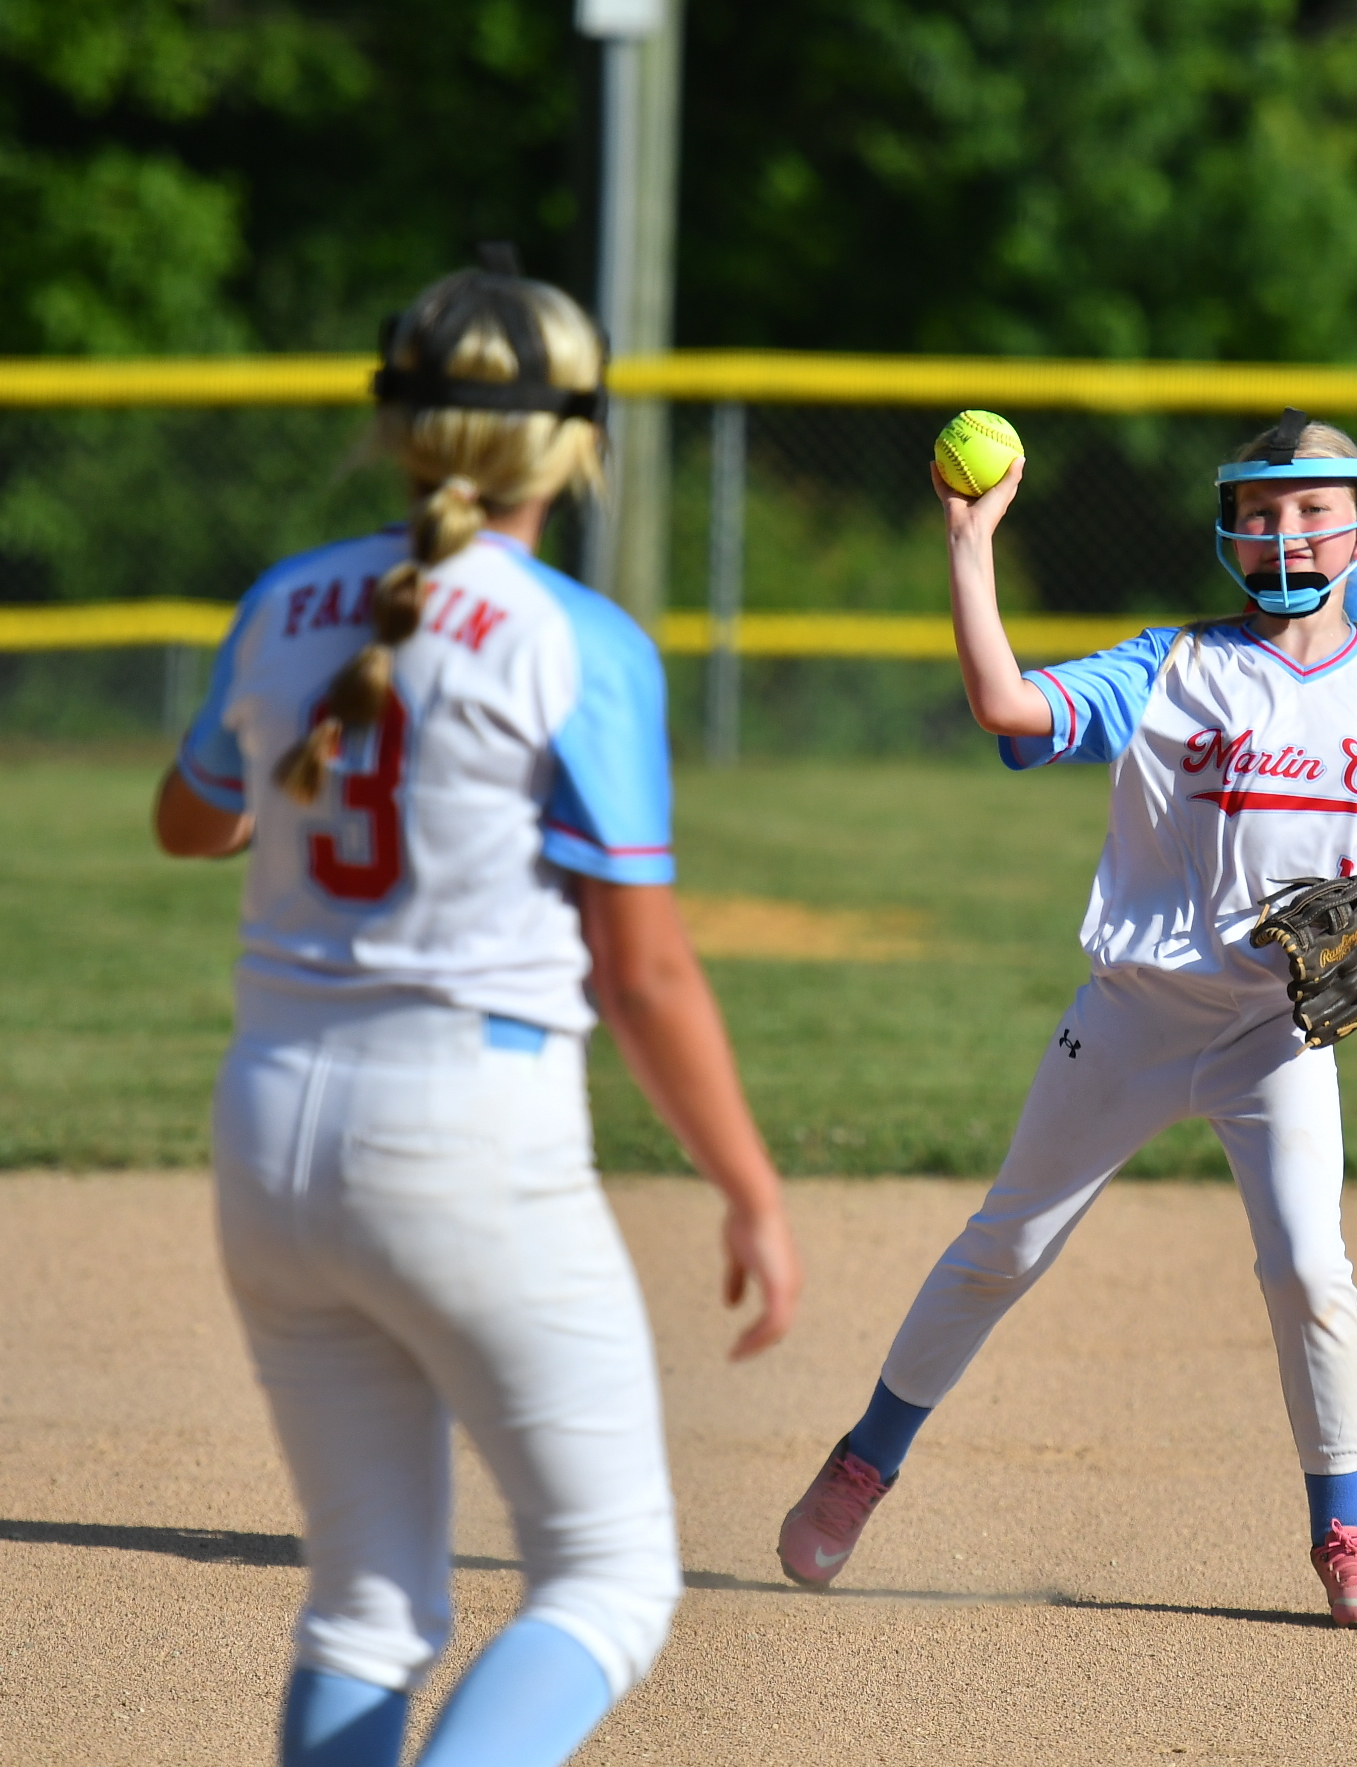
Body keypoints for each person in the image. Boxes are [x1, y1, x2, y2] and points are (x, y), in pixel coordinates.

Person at [155, 256, 801, 1766]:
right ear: (578, 440)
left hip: (267, 1136)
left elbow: (191, 827)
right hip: (463, 1136)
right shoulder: (575, 639)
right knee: (613, 1575)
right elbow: (640, 970)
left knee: (366, 1603)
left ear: (394, 422)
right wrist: (750, 1188)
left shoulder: (280, 605)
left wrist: (286, 767)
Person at [776, 409, 1357, 1629]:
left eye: (1309, 505)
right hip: (1133, 1015)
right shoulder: (1170, 666)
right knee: (1005, 1249)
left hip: (1276, 1030)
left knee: (1310, 1269)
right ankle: (864, 1462)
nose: (1282, 529)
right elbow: (1003, 705)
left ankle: (1344, 1532)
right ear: (1229, 534)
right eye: (1259, 508)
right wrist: (970, 544)